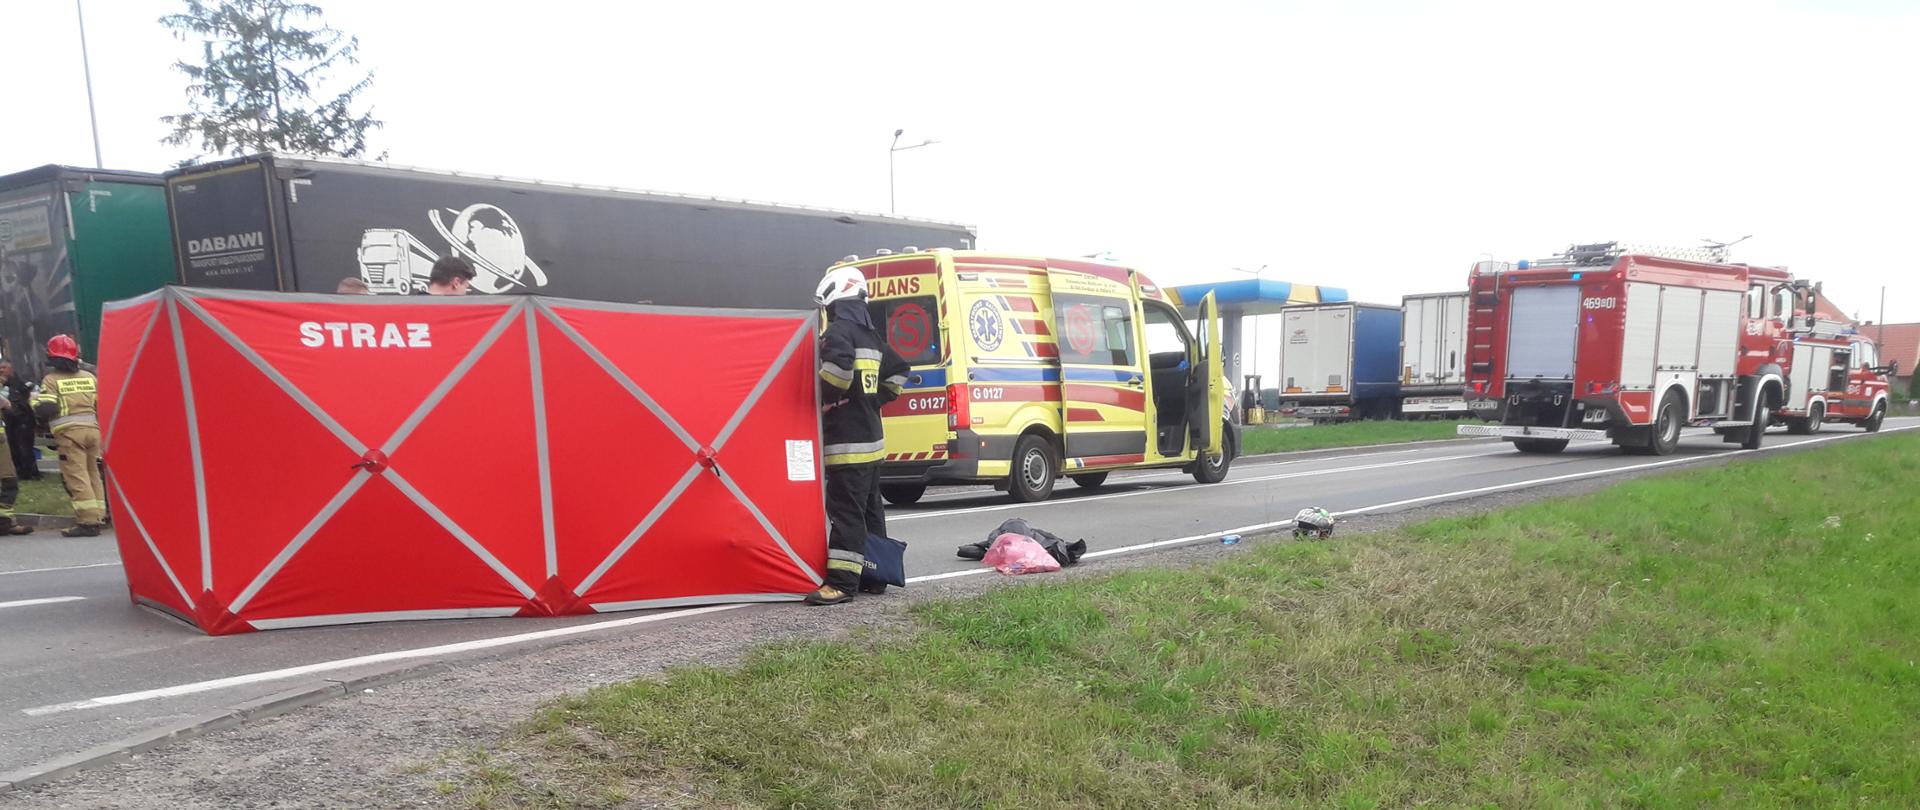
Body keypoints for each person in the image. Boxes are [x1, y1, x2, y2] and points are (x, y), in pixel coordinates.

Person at [805, 265, 908, 605]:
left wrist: (824, 398)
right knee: (869, 512)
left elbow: (836, 372)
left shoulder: (837, 333)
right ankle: (876, 575)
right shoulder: (872, 336)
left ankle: (842, 583)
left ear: (834, 299)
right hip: (872, 443)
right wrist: (873, 400)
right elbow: (899, 372)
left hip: (847, 445)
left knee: (846, 513)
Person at [32, 335, 105, 537]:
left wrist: (34, 403)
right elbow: (101, 405)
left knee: (77, 476)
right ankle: (99, 515)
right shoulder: (89, 377)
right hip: (93, 432)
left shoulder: (51, 379)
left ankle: (88, 523)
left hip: (70, 435)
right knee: (93, 475)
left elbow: (47, 408)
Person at [0, 360, 40, 480]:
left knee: (25, 447)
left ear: (11, 369)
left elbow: (22, 402)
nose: (1, 370)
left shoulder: (20, 384)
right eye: (0, 368)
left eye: (4, 367)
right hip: (8, 422)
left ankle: (29, 472)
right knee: (12, 447)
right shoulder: (3, 385)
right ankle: (17, 471)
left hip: (23, 420)